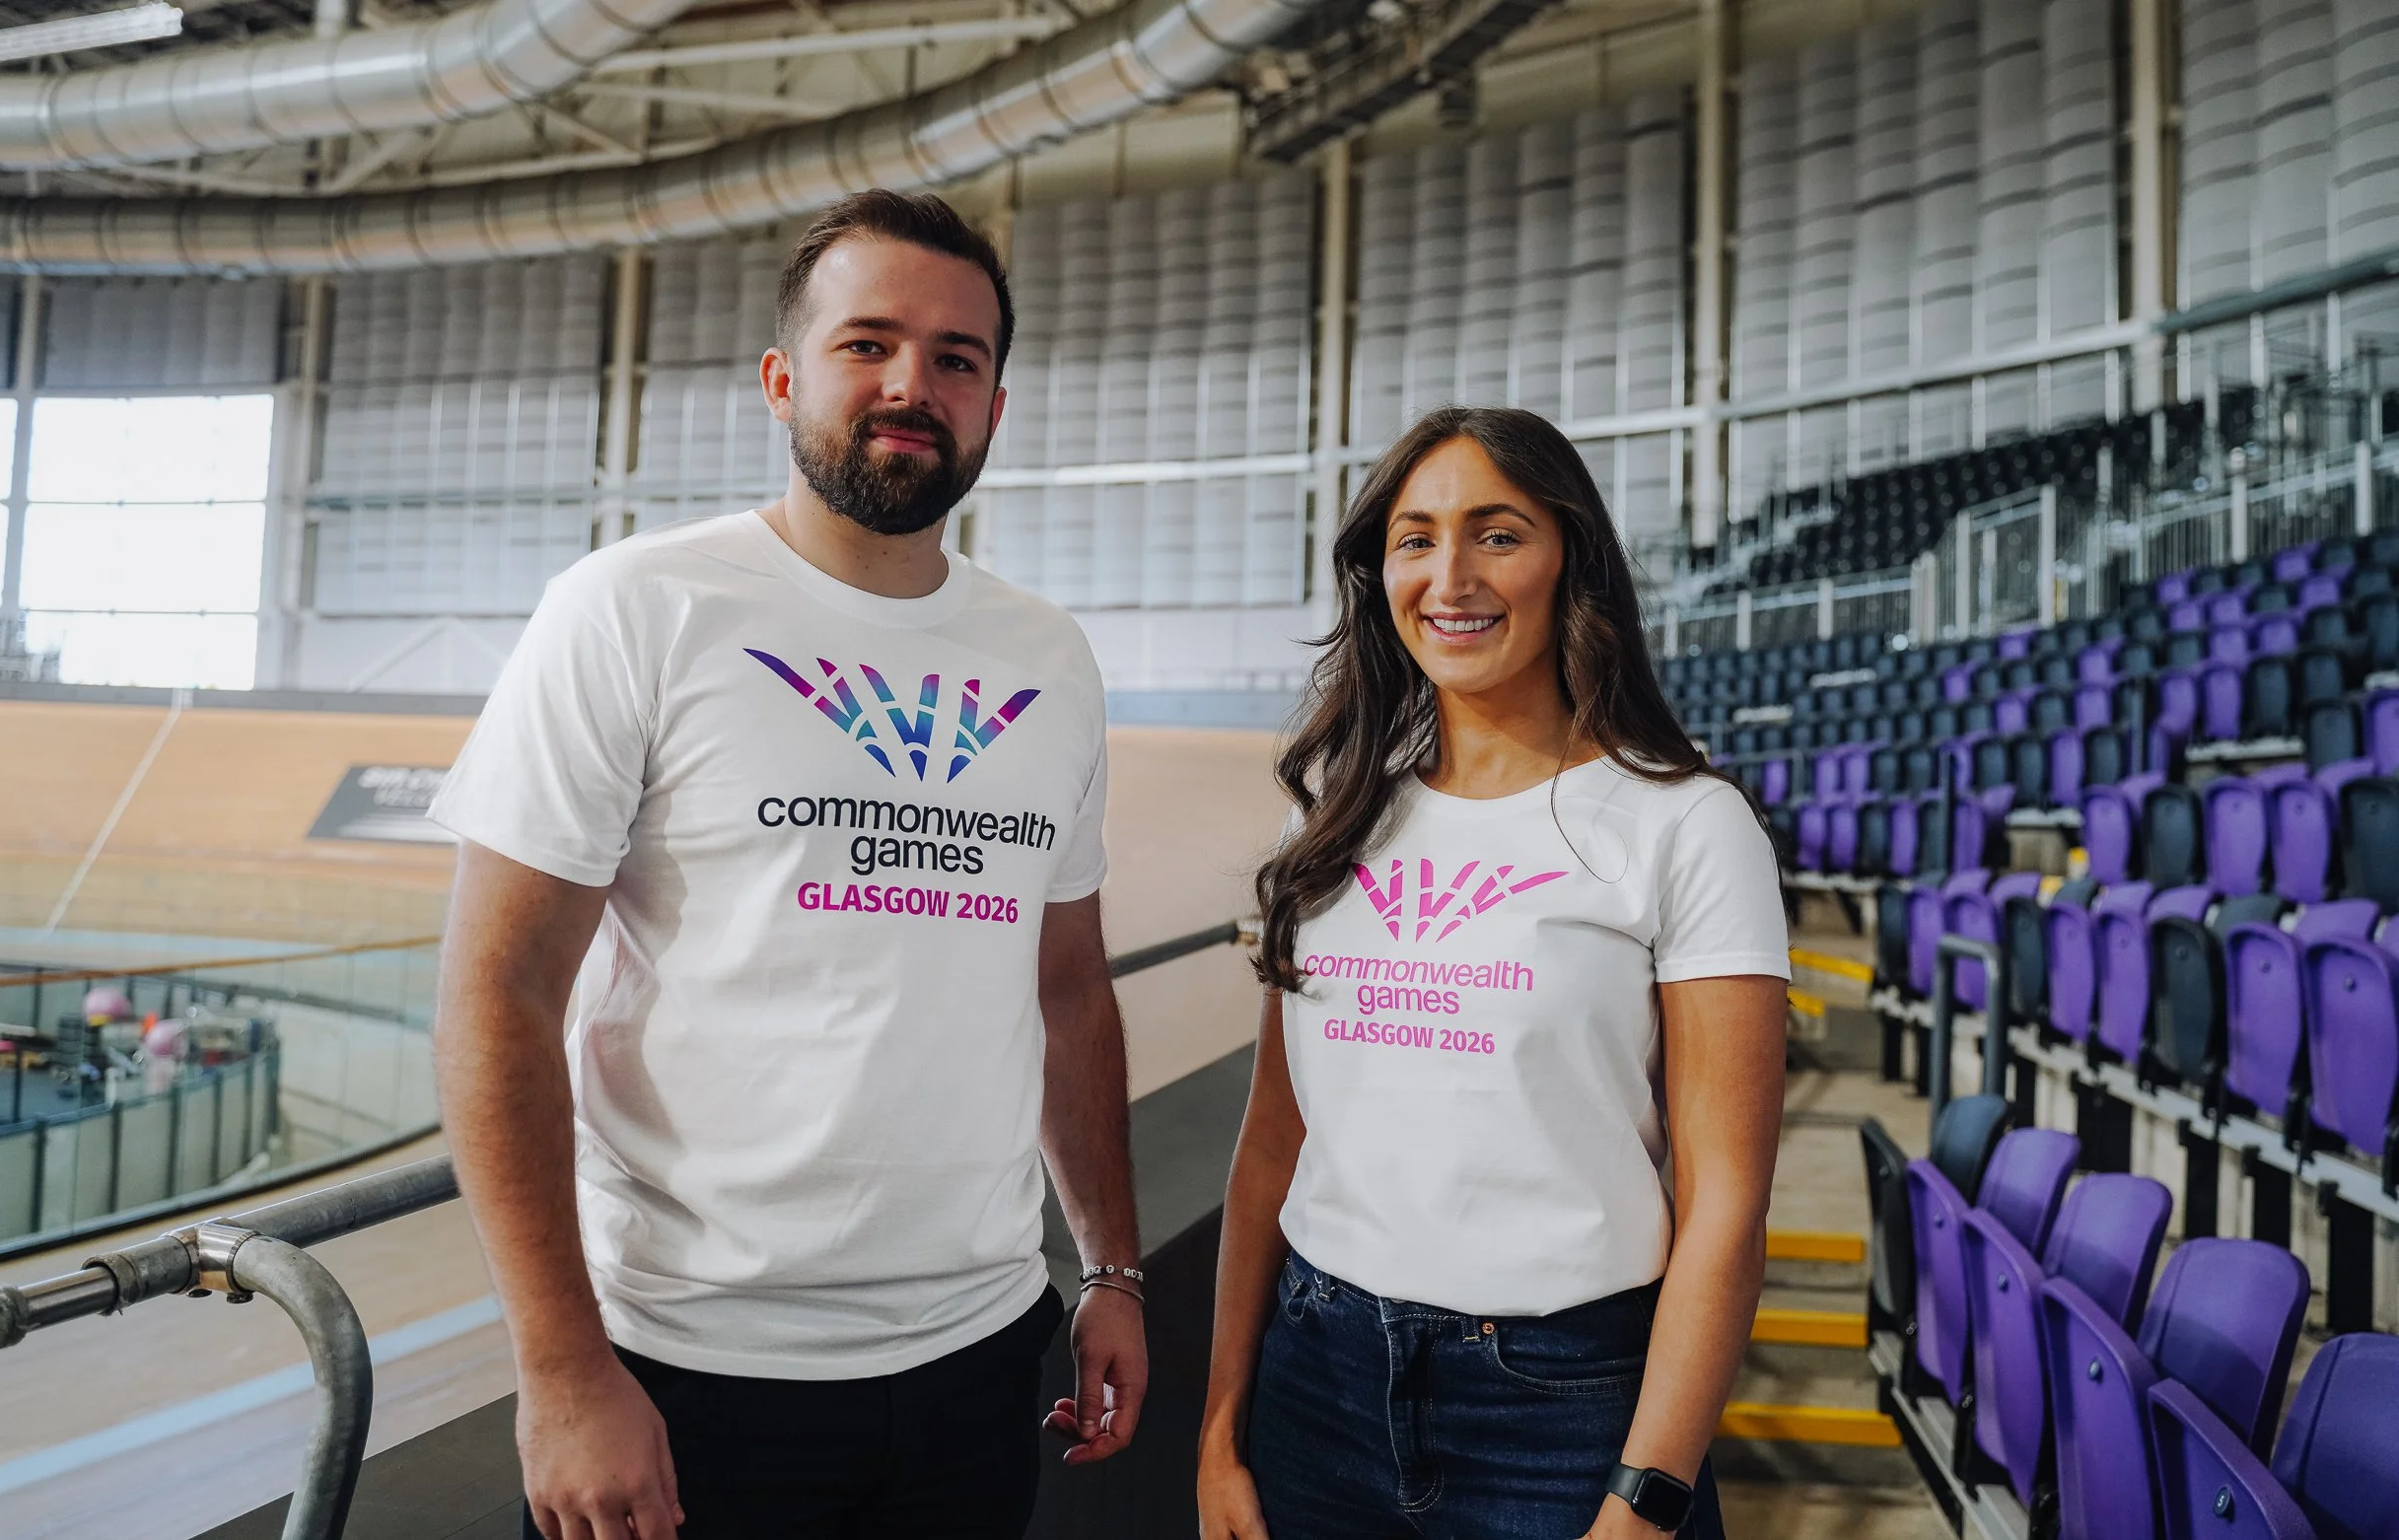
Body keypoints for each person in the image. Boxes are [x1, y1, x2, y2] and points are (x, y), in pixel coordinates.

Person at [427, 189, 1147, 1540]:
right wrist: (564, 1366)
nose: (911, 385)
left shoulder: (1048, 657)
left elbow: (1067, 987)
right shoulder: (638, 609)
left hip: (978, 1359)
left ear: (995, 403)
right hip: (688, 1370)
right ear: (781, 378)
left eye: (956, 358)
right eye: (867, 342)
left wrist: (1110, 1264)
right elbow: (496, 997)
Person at [1195, 406, 1788, 1539]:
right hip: (1314, 1384)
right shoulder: (1332, 810)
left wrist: (1646, 1496)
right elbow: (1274, 1137)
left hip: (1562, 1408)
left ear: (1571, 555)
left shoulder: (1685, 824)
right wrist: (1223, 1427)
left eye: (1497, 533)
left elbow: (1724, 1208)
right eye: (1414, 537)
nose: (1449, 574)